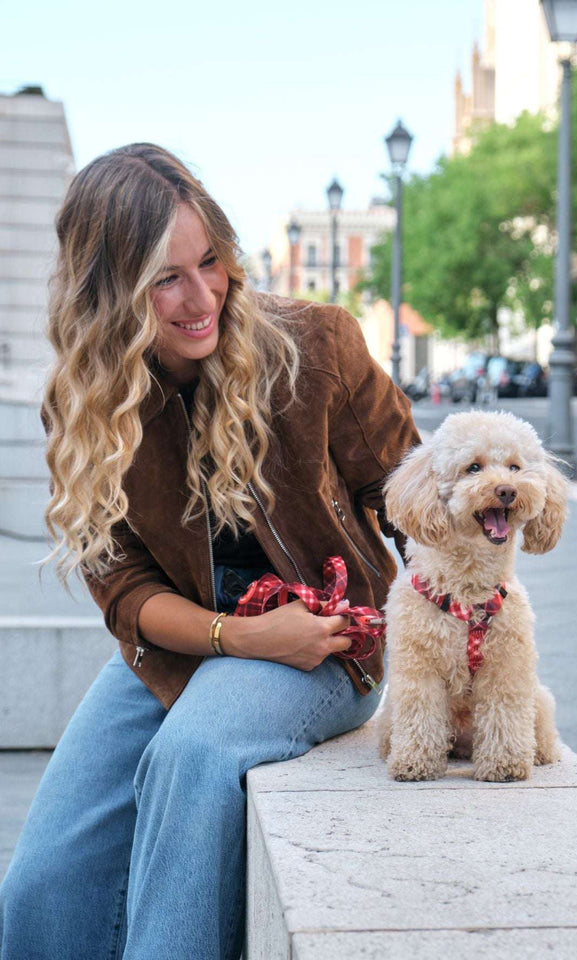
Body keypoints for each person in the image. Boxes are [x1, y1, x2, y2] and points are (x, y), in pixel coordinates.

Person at [0, 143, 419, 960]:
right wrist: (242, 637)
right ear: (110, 292)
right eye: (166, 279)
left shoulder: (317, 346)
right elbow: (123, 591)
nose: (203, 299)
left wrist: (468, 631)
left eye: (211, 262)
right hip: (185, 648)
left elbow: (413, 493)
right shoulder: (85, 403)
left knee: (192, 760)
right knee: (41, 884)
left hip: (326, 648)